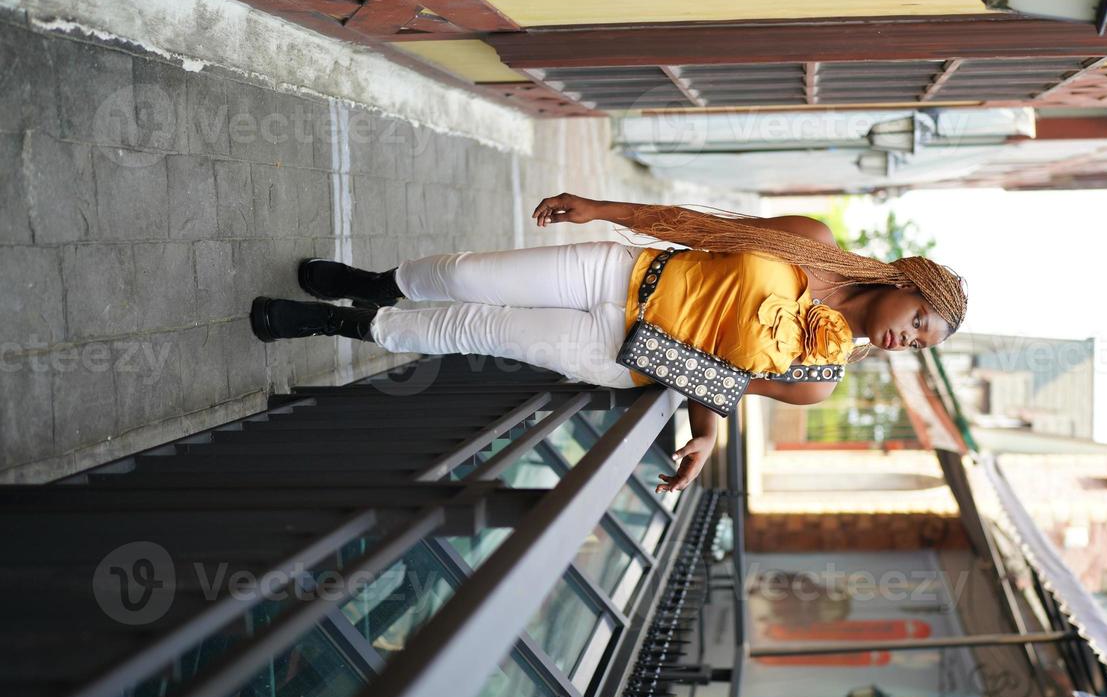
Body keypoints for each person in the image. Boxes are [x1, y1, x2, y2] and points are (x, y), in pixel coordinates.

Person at [250, 195, 967, 493]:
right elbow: (700, 227)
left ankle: (333, 324)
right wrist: (601, 208)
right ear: (911, 282)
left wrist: (706, 437)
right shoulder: (812, 243)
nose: (907, 341)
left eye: (919, 347)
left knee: (477, 327)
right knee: (467, 274)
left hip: (616, 351)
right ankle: (372, 282)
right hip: (622, 270)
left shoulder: (818, 380)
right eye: (921, 323)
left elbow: (715, 379)